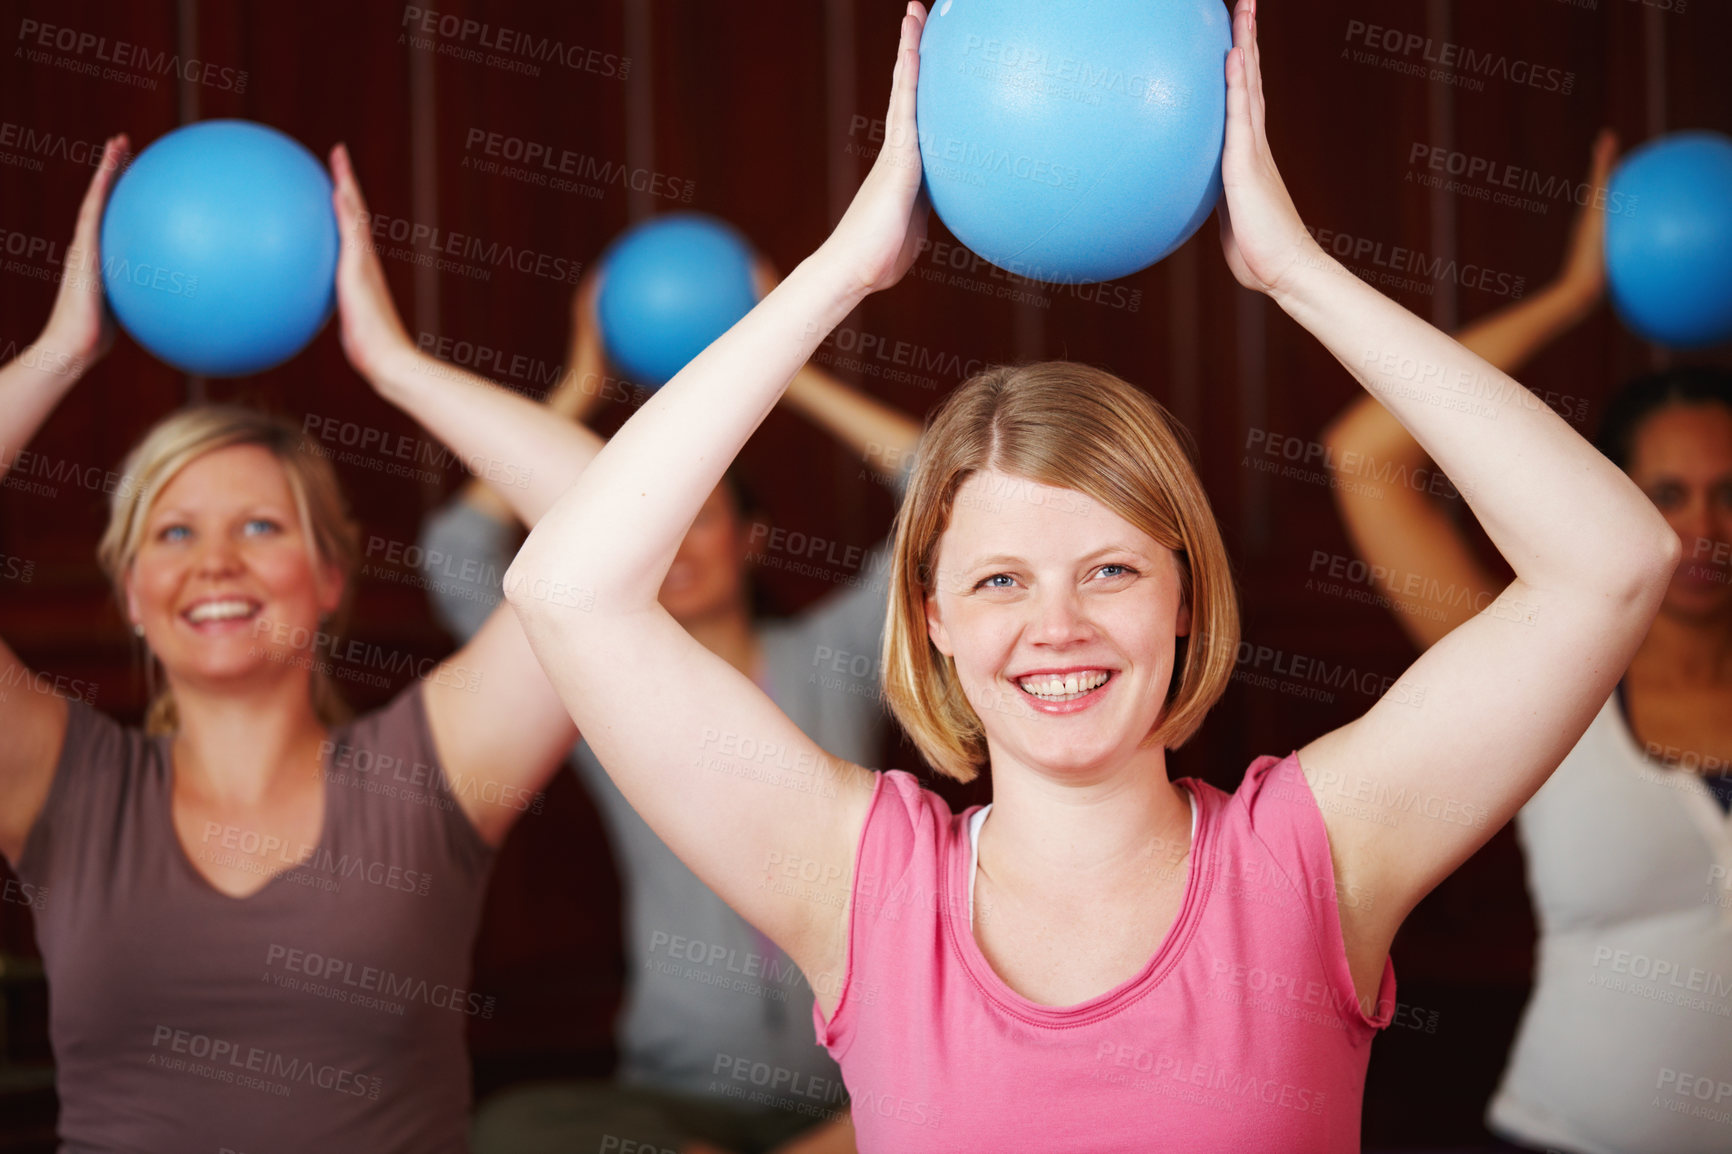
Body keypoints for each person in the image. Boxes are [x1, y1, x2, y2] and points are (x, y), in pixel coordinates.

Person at [503, 2, 1679, 1148]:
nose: (1056, 625)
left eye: (1110, 568)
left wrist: (1300, 273)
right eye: (1000, 582)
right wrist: (838, 275)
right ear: (934, 622)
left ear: (1183, 596)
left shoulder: (1318, 857)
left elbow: (1610, 562)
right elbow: (567, 588)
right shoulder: (862, 885)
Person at [0, 137, 607, 1152]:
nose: (216, 562)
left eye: (262, 527)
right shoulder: (64, 786)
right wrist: (62, 348)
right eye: (175, 532)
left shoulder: (430, 768)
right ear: (132, 593)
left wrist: (395, 364)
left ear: (330, 577)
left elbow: (621, 521)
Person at [422, 271, 919, 1154]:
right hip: (675, 1104)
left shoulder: (832, 658)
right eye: (657, 520)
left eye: (703, 517)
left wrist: (782, 360)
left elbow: (936, 489)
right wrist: (578, 392)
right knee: (513, 1133)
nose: (676, 543)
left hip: (857, 1093)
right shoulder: (593, 685)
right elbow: (457, 554)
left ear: (752, 539)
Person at [1324, 132, 1732, 1154]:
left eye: (1729, 496)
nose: (1701, 530)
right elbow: (1364, 457)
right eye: (1665, 496)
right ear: (1614, 504)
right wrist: (1568, 295)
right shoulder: (1553, 667)